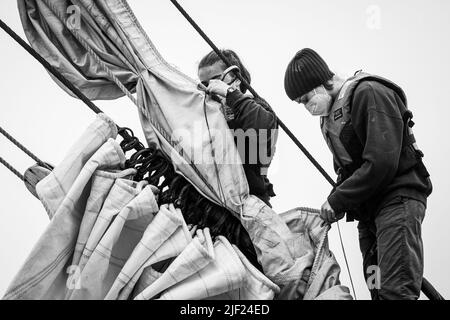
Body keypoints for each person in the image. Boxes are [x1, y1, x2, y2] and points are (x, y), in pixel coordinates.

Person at [283, 48, 432, 300]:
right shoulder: (331, 118)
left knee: (395, 292)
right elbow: (348, 172)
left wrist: (338, 200)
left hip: (397, 202)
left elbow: (381, 162)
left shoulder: (368, 93)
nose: (307, 106)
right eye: (300, 103)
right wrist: (334, 200)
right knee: (378, 290)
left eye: (306, 98)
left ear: (323, 82)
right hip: (369, 215)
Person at [198, 49, 278, 207]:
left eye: (215, 80)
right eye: (205, 84)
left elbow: (261, 128)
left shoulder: (257, 107)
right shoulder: (206, 115)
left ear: (235, 77)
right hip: (212, 201)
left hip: (250, 202)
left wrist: (230, 94)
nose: (210, 88)